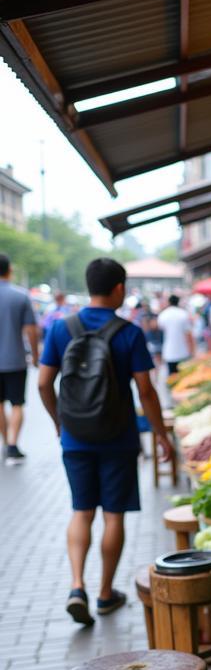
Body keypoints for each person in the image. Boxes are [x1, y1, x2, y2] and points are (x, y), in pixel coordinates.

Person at [37, 258, 173, 626]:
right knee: (113, 515)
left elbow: (42, 383)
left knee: (82, 511)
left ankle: (77, 585)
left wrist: (58, 423)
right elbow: (146, 390)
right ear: (117, 289)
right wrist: (161, 435)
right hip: (118, 437)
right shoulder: (128, 333)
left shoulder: (61, 329)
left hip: (76, 438)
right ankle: (105, 593)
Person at [0, 252, 39, 465]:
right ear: (10, 269)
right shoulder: (20, 296)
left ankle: (6, 443)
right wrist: (35, 356)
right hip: (15, 360)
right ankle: (13, 445)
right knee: (17, 404)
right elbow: (31, 330)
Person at [158, 294, 194, 375]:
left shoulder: (163, 314)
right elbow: (188, 334)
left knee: (172, 377)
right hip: (183, 350)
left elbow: (161, 331)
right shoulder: (183, 314)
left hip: (169, 351)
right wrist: (192, 350)